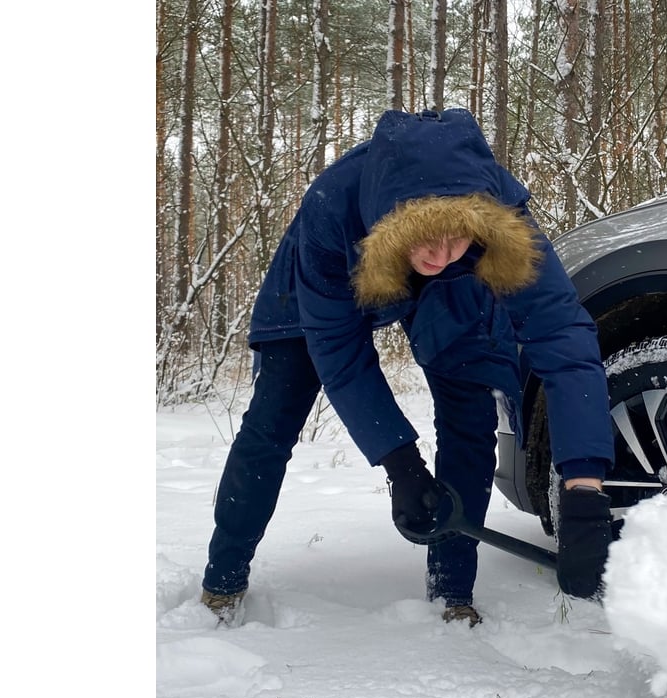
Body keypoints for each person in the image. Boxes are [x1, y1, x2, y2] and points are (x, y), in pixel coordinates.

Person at [200, 108, 616, 627]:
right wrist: (401, 464)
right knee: (273, 418)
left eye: (457, 237)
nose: (441, 254)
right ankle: (223, 578)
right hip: (334, 275)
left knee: (470, 415)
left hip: (454, 294)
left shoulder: (500, 225)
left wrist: (584, 487)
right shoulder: (331, 209)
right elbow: (340, 352)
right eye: (425, 238)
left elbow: (562, 337)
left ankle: (452, 590)